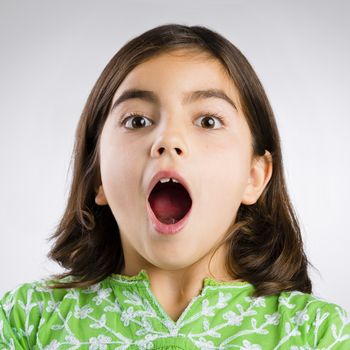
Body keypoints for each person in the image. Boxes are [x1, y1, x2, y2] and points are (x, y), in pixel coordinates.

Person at [0, 23, 349, 350]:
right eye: (137, 121)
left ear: (254, 176)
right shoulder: (25, 322)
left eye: (208, 121)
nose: (168, 140)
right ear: (97, 176)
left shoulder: (319, 333)